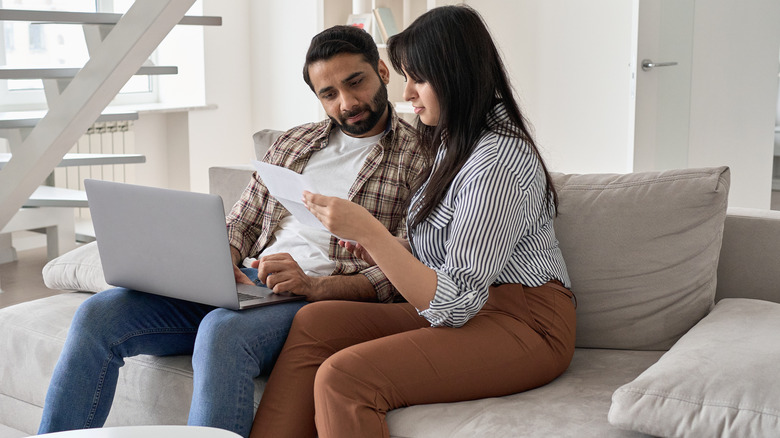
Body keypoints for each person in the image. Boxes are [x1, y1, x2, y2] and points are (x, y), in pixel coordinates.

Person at [38, 25, 427, 438]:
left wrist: (312, 286)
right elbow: (240, 222)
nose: (347, 103)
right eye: (329, 94)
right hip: (247, 282)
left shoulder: (419, 158)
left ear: (383, 72)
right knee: (98, 315)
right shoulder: (293, 143)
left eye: (356, 83)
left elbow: (400, 271)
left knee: (222, 332)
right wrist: (218, 259)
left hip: (315, 299)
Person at [248, 5, 577, 438]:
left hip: (526, 323)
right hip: (478, 308)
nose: (407, 95)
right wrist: (386, 243)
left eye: (418, 79)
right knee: (316, 322)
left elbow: (457, 302)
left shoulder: (497, 161)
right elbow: (448, 251)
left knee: (345, 379)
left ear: (455, 75)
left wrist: (369, 231)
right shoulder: (454, 140)